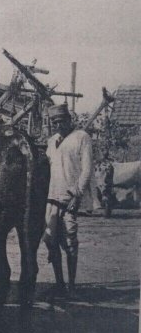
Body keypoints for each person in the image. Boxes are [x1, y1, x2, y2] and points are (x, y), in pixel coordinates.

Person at [43, 103, 93, 300]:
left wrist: (77, 195)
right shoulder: (52, 141)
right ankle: (59, 284)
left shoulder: (82, 138)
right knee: (50, 240)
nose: (58, 125)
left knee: (70, 242)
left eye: (61, 121)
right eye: (54, 122)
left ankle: (72, 286)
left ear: (69, 119)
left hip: (70, 196)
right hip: (52, 197)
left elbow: (87, 169)